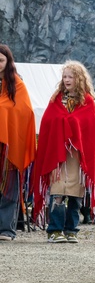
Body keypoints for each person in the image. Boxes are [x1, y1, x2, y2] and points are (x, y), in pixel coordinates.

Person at [33, 61, 95, 243]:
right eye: (65, 76)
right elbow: (47, 123)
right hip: (57, 157)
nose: (67, 80)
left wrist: (73, 127)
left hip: (78, 157)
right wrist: (63, 126)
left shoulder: (88, 102)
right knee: (57, 192)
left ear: (79, 79)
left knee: (75, 194)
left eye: (71, 76)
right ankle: (55, 230)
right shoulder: (56, 100)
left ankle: (71, 229)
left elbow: (93, 128)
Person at [0, 44, 36, 242]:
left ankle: (6, 230)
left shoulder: (17, 84)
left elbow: (25, 111)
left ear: (8, 62)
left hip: (9, 147)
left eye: (1, 61)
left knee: (9, 188)